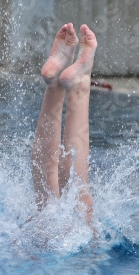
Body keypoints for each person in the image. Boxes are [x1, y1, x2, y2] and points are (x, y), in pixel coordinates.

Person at [31, 23, 97, 224]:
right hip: (66, 250)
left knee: (46, 204)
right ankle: (78, 84)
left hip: (25, 247)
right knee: (78, 207)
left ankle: (55, 88)